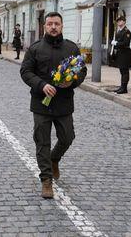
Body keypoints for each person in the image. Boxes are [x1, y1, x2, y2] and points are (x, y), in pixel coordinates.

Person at [20, 12, 87, 199]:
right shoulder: (35, 49)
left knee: (67, 138)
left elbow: (81, 70)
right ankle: (46, 180)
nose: (53, 27)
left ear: (62, 26)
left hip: (64, 103)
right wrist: (42, 85)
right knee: (42, 141)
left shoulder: (72, 48)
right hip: (41, 103)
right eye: (49, 24)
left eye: (56, 23)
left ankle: (54, 158)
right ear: (44, 27)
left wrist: (72, 82)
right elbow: (25, 71)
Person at [111, 10, 131, 94]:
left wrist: (116, 43)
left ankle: (124, 88)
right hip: (120, 53)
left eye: (120, 20)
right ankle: (121, 87)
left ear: (124, 22)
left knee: (125, 71)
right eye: (118, 21)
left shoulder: (127, 32)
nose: (119, 22)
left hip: (125, 53)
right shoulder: (119, 31)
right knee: (121, 71)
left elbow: (125, 43)